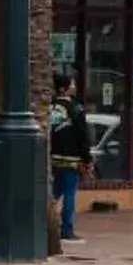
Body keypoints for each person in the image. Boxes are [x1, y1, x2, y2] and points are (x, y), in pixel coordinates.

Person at [50, 77, 91, 244]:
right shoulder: (75, 107)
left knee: (55, 191)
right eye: (72, 84)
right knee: (69, 193)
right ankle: (66, 229)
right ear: (65, 88)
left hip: (54, 155)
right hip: (71, 156)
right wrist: (87, 158)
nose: (74, 86)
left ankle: (38, 220)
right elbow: (83, 134)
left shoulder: (50, 105)